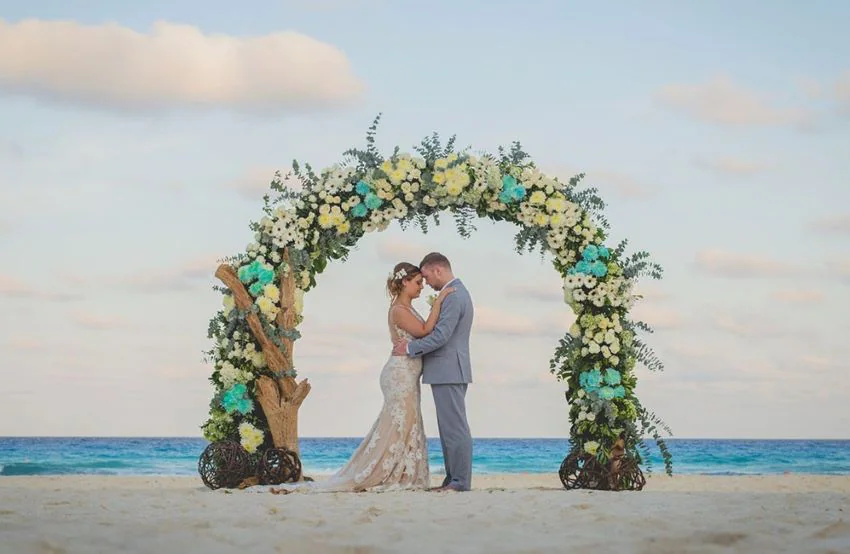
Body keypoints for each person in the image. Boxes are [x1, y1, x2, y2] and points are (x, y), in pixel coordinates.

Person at [273, 262, 454, 493]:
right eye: (418, 283)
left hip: (408, 374)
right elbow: (425, 331)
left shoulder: (406, 307)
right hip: (399, 375)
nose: (421, 287)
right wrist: (439, 303)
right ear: (404, 282)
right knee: (399, 425)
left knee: (407, 424)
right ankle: (382, 473)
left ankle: (403, 472)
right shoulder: (398, 309)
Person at [392, 252, 474, 492]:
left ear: (437, 270)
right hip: (447, 370)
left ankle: (459, 481)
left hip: (449, 369)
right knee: (449, 428)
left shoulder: (454, 296)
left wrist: (409, 347)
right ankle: (452, 480)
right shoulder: (453, 294)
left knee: (454, 427)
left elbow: (440, 336)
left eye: (426, 276)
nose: (426, 283)